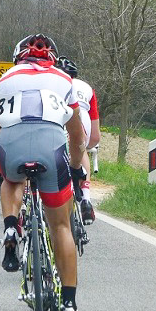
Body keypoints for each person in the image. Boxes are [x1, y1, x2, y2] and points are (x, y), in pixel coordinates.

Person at [0, 33, 87, 311]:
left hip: (13, 147)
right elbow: (78, 138)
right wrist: (77, 169)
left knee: (12, 178)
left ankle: (11, 228)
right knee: (62, 227)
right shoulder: (64, 80)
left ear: (18, 58)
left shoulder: (2, 82)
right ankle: (69, 307)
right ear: (52, 58)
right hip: (51, 149)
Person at [56, 57, 100, 224]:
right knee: (81, 150)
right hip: (84, 120)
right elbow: (95, 137)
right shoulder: (87, 88)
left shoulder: (50, 82)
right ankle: (86, 199)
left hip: (59, 115)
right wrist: (86, 147)